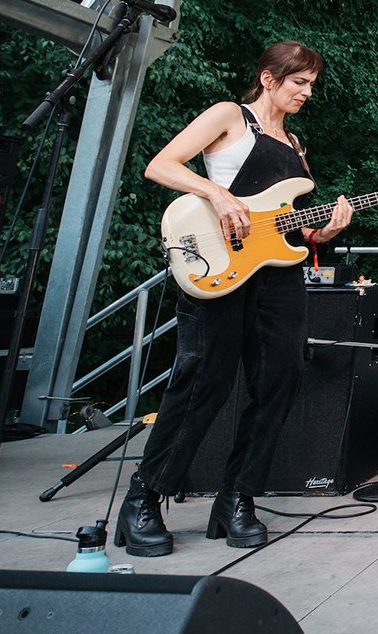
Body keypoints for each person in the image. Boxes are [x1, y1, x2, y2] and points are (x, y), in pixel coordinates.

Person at [116, 40, 353, 557]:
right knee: (204, 383)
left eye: (311, 84)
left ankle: (237, 498)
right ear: (269, 78)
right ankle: (144, 498)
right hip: (219, 269)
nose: (307, 92)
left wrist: (321, 233)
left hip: (277, 278)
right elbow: (160, 165)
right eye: (299, 82)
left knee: (280, 381)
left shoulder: (295, 146)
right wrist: (216, 193)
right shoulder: (230, 116)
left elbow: (287, 229)